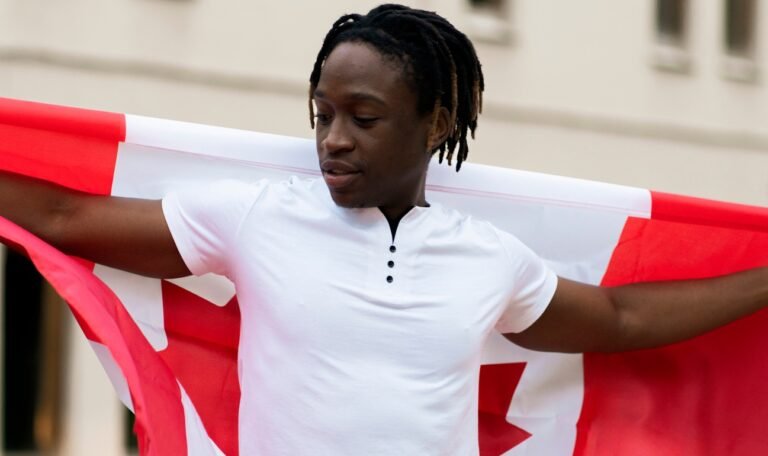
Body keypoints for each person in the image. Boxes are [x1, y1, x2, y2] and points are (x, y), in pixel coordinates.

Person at [0, 4, 766, 455]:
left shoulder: (487, 257)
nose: (334, 138)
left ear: (436, 123)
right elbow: (68, 216)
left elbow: (621, 317)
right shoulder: (256, 216)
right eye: (322, 114)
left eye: (364, 118)